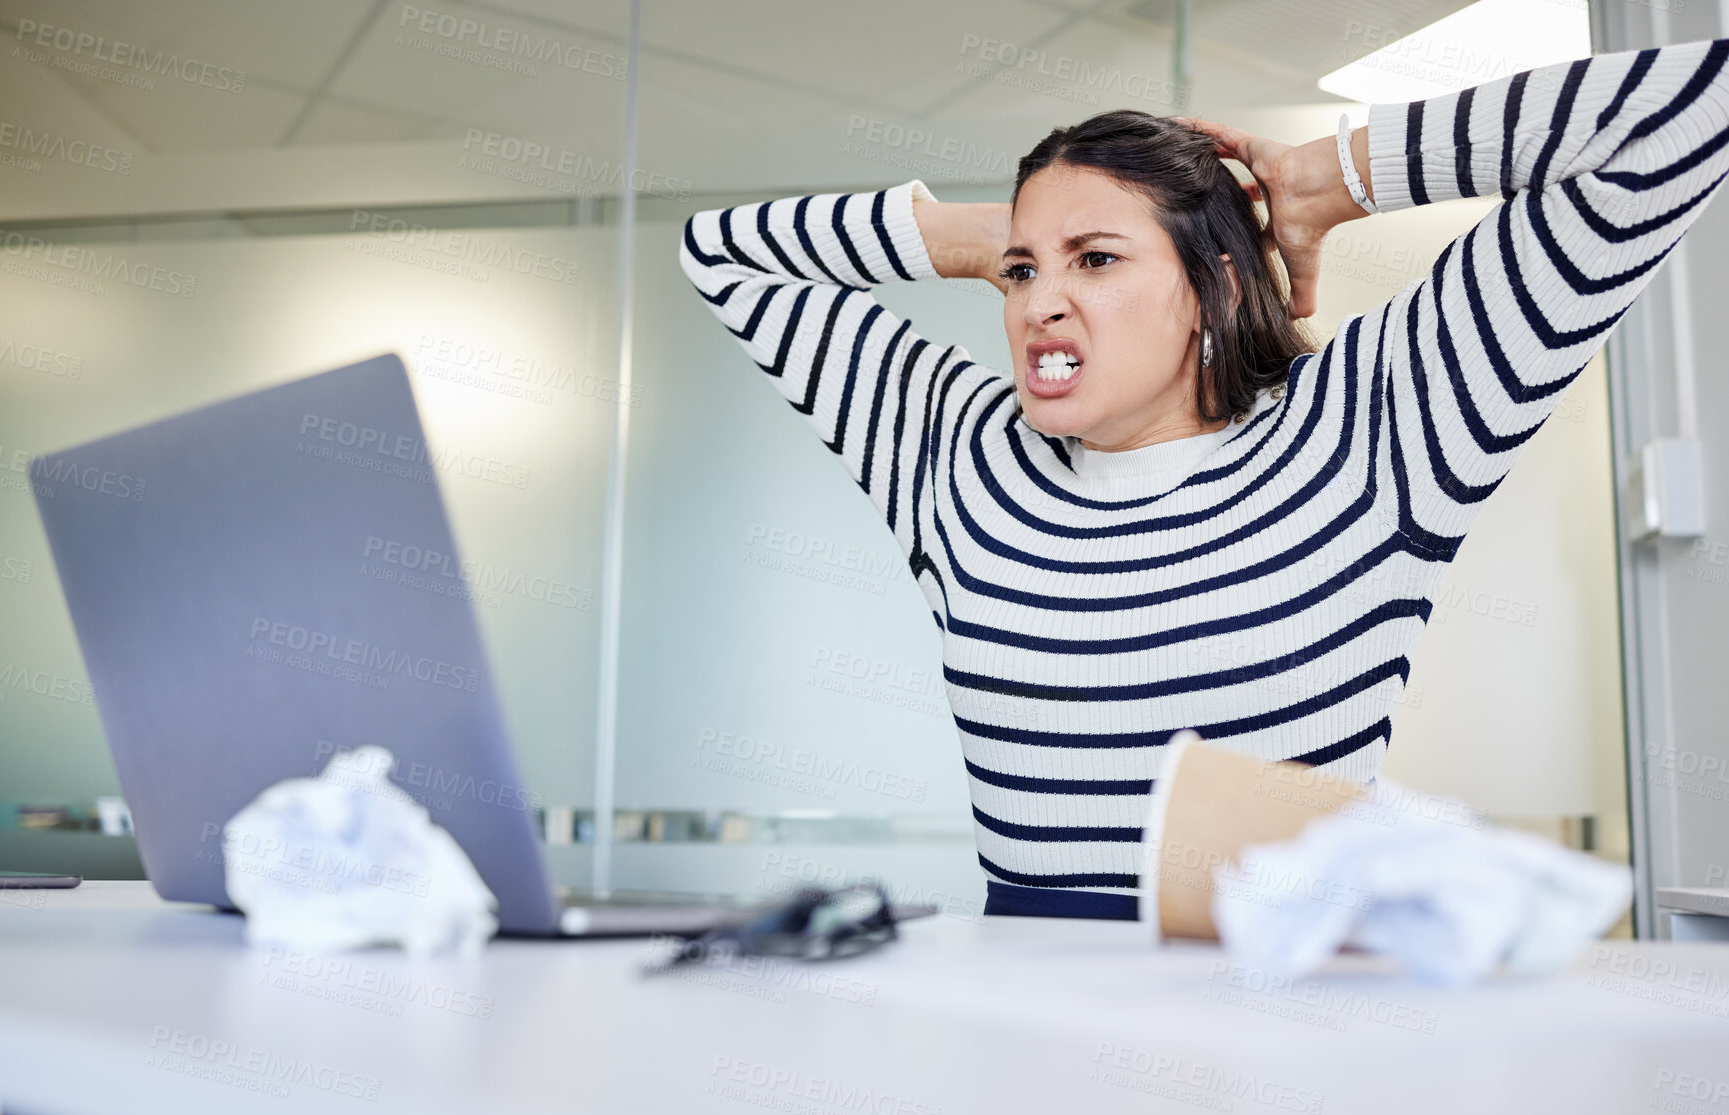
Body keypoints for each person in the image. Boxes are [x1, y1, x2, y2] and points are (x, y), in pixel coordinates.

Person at [679, 37, 1729, 922]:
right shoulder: (960, 457)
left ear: (1211, 290)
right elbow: (719, 255)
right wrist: (971, 236)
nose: (1041, 300)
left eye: (1096, 260)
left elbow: (1687, 109)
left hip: (1290, 1054)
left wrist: (1339, 175)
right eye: (1024, 271)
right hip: (1018, 1055)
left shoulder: (1373, 426)